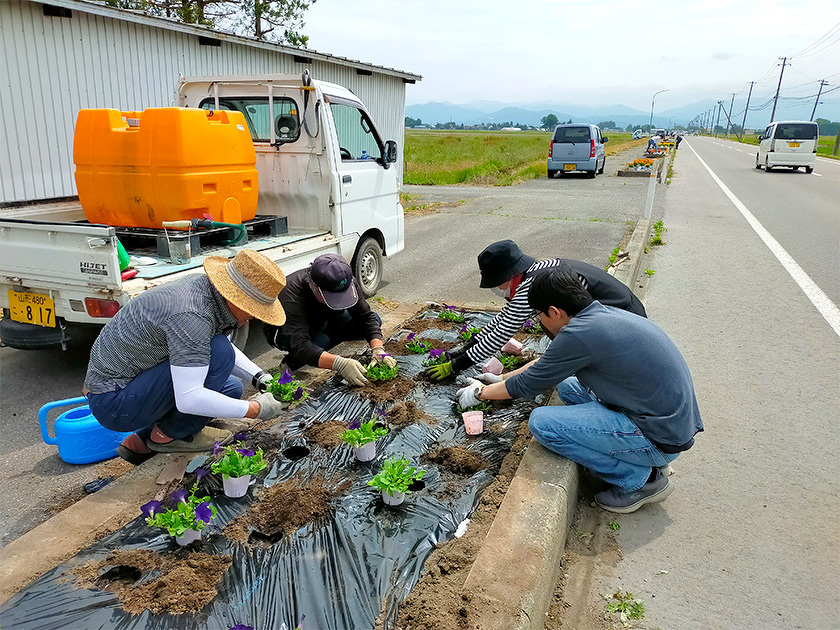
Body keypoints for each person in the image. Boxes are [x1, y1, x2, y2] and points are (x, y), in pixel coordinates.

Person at [455, 266, 702, 513]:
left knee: (542, 423)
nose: (540, 321)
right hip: (670, 424)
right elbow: (545, 364)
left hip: (659, 440)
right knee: (568, 385)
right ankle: (641, 459)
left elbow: (529, 384)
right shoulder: (600, 314)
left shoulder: (579, 334)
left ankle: (639, 480)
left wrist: (479, 394)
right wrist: (499, 378)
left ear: (554, 311)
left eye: (540, 314)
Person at [84, 249, 289, 465]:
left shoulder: (204, 290)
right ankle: (169, 435)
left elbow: (209, 345)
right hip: (114, 401)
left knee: (231, 387)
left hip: (128, 386)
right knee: (219, 353)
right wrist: (255, 409)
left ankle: (144, 440)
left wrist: (259, 377)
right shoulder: (193, 314)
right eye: (254, 310)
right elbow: (190, 396)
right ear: (238, 301)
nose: (253, 318)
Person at [426, 240, 646, 380]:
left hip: (623, 316)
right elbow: (501, 321)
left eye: (496, 283)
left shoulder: (528, 289)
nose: (495, 289)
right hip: (619, 309)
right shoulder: (536, 272)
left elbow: (501, 334)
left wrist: (456, 366)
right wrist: (466, 347)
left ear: (508, 277)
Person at [263, 253, 397, 386]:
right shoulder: (291, 291)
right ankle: (291, 363)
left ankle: (321, 349)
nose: (339, 300)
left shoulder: (346, 281)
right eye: (333, 297)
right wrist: (339, 363)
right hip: (284, 331)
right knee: (321, 341)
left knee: (375, 320)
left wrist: (378, 349)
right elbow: (299, 342)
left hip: (323, 319)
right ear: (313, 286)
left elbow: (366, 317)